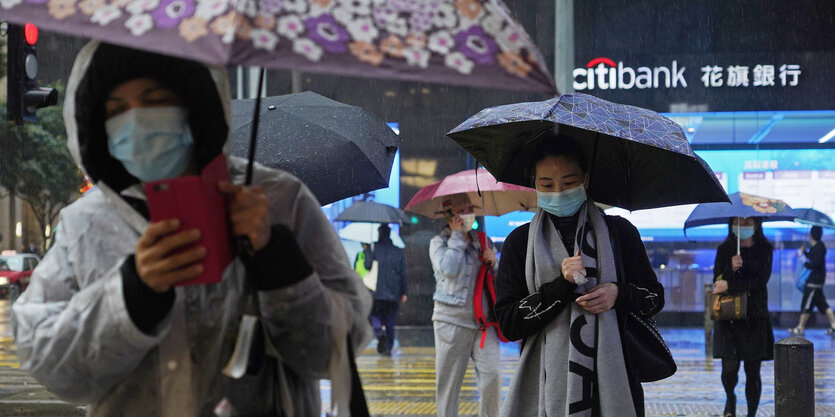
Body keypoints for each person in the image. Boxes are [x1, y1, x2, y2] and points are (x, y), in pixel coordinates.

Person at [12, 41, 372, 416]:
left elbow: (337, 349)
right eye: (116, 111)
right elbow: (49, 361)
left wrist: (277, 260)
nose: (136, 121)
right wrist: (133, 296)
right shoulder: (86, 221)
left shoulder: (279, 199)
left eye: (154, 100)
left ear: (191, 104)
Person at [495, 135, 664, 417]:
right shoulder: (519, 242)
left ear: (585, 179)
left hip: (614, 381)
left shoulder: (619, 233)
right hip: (546, 388)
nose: (559, 192)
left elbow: (654, 299)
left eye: (569, 183)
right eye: (547, 185)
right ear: (534, 183)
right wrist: (561, 287)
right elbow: (509, 324)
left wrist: (617, 293)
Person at [429, 194, 500, 417]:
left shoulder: (483, 241)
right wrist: (458, 236)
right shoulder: (438, 242)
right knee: (449, 385)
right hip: (450, 322)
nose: (468, 213)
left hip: (483, 323)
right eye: (462, 210)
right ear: (450, 215)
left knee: (493, 375)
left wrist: (495, 261)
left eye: (470, 208)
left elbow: (499, 280)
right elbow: (448, 269)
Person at [711, 217, 774, 417]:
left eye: (748, 223)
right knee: (729, 368)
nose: (743, 226)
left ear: (756, 225)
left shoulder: (765, 249)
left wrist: (732, 284)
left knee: (752, 372)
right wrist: (731, 268)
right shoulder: (724, 249)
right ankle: (730, 398)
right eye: (738, 222)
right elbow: (717, 281)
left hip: (755, 318)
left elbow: (760, 280)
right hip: (729, 319)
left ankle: (751, 413)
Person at [364, 224, 407, 356]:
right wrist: (404, 292)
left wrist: (367, 251)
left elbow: (367, 266)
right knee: (390, 320)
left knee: (373, 315)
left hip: (377, 291)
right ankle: (388, 347)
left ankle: (379, 331)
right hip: (393, 292)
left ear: (379, 234)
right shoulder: (398, 251)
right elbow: (403, 274)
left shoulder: (374, 247)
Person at [790, 225, 835, 335]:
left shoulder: (817, 248)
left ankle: (800, 327)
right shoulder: (818, 248)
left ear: (810, 235)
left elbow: (813, 264)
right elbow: (813, 259)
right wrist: (805, 252)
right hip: (816, 283)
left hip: (813, 283)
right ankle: (834, 325)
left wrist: (802, 257)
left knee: (806, 305)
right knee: (823, 306)